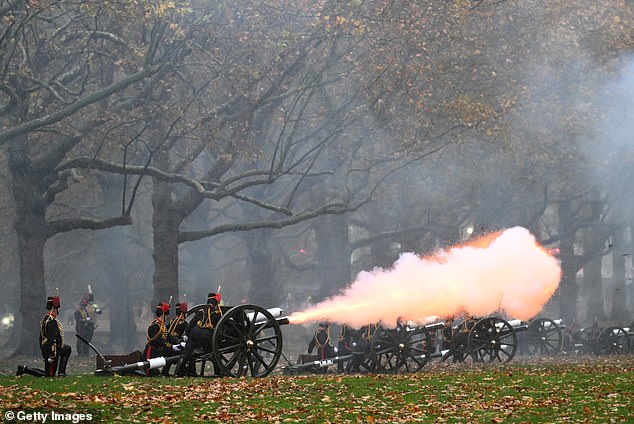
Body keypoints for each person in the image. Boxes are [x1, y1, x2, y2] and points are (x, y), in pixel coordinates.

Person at [16, 296, 72, 377]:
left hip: (52, 348)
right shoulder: (50, 321)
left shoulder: (47, 319)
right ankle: (25, 369)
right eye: (57, 309)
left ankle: (61, 372)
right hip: (52, 350)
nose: (58, 311)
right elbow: (53, 339)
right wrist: (52, 355)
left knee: (67, 349)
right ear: (54, 309)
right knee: (49, 375)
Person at [174, 292, 223, 377]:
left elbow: (192, 323)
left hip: (194, 331)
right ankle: (217, 372)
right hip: (206, 334)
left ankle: (177, 372)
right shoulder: (218, 314)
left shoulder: (201, 311)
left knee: (186, 353)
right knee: (213, 352)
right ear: (216, 303)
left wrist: (186, 334)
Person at [144, 302, 181, 376]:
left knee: (170, 354)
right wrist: (171, 346)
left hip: (158, 351)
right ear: (163, 314)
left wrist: (178, 341)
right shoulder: (155, 326)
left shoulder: (162, 326)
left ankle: (165, 372)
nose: (167, 317)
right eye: (166, 315)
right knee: (151, 373)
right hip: (151, 352)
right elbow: (158, 341)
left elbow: (168, 336)